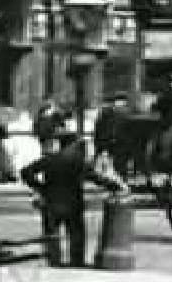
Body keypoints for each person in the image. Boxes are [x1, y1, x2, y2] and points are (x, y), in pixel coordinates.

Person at [21, 132, 128, 268]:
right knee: (76, 234)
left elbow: (25, 171)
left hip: (51, 202)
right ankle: (76, 261)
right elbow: (95, 178)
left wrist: (40, 188)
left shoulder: (50, 159)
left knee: (51, 234)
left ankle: (54, 261)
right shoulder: (78, 162)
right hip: (73, 203)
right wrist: (115, 186)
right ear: (73, 145)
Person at [92, 93, 130, 175]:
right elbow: (99, 129)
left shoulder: (112, 114)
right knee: (109, 162)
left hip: (114, 142)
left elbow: (99, 130)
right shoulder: (108, 114)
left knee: (114, 163)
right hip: (111, 142)